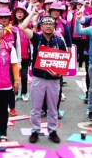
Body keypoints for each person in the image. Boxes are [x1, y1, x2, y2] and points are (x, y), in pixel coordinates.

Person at [20, 10, 66, 144]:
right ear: (41, 25)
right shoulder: (36, 37)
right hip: (38, 77)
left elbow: (64, 60)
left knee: (53, 108)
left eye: (50, 23)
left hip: (54, 80)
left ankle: (53, 131)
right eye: (45, 23)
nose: (48, 26)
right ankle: (35, 130)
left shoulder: (59, 41)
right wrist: (33, 13)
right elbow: (22, 27)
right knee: (36, 107)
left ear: (54, 26)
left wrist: (59, 73)